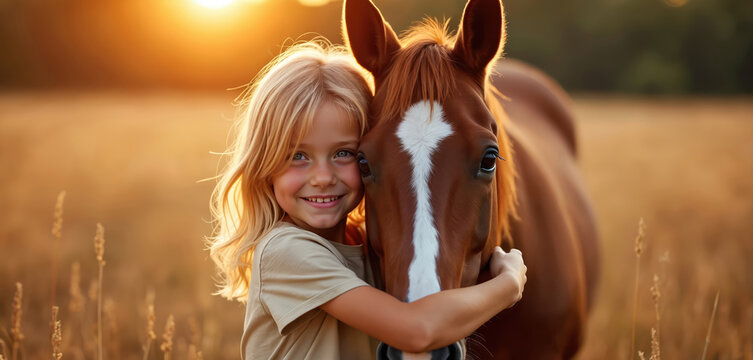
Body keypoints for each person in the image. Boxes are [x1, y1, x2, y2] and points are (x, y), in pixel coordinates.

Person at [208, 41, 527, 360]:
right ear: (265, 165)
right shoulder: (285, 252)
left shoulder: (364, 251)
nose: (322, 177)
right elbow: (417, 331)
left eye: (343, 153)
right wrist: (508, 285)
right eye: (298, 156)